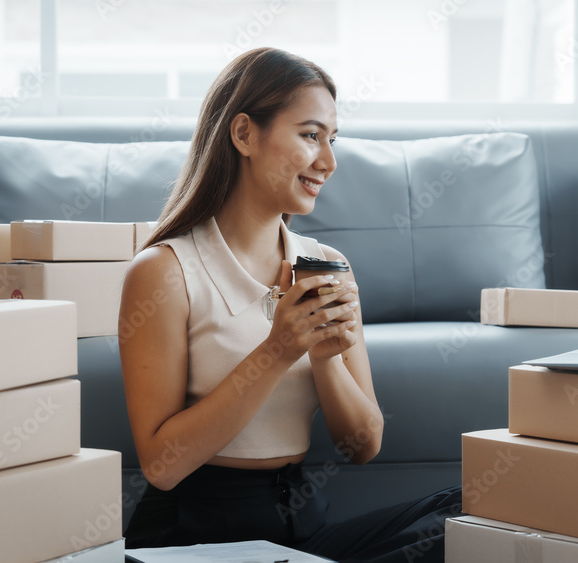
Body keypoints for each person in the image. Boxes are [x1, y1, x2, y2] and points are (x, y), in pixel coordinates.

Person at [119, 47, 462, 562]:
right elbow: (163, 466)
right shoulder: (163, 272)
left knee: (469, 511)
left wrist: (325, 356)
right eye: (309, 135)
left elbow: (363, 446)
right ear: (243, 135)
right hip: (198, 530)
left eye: (331, 139)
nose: (328, 161)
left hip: (299, 525)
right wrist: (278, 349)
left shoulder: (326, 264)